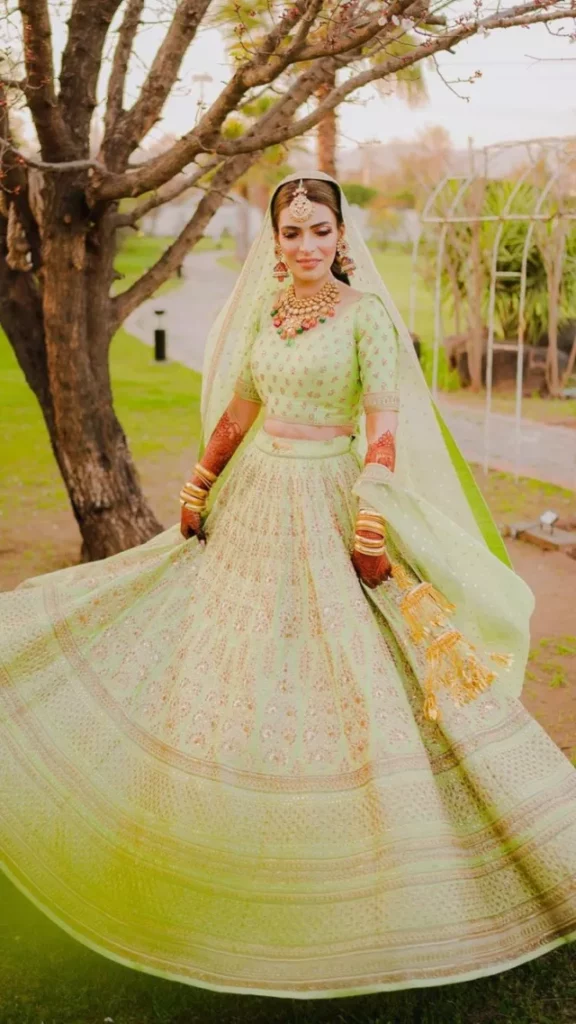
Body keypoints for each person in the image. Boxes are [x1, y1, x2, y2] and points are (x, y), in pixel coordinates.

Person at [1, 171, 575, 1000]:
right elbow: (240, 407)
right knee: (226, 661)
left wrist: (371, 518)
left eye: (319, 230)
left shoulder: (367, 317)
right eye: (292, 232)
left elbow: (383, 427)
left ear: (343, 237)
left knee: (351, 672)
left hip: (332, 503)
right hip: (254, 496)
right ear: (276, 242)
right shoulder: (265, 314)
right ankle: (205, 849)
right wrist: (199, 483)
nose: (305, 245)